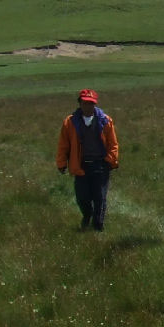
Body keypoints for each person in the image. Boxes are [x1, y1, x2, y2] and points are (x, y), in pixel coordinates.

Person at [56, 88, 120, 231]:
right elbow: (63, 145)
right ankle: (87, 215)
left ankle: (98, 227)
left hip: (101, 165)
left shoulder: (105, 121)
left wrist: (110, 161)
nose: (88, 106)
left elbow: (113, 144)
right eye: (85, 103)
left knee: (100, 198)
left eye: (91, 103)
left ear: (95, 104)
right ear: (80, 103)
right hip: (81, 166)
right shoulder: (70, 122)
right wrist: (61, 163)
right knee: (82, 198)